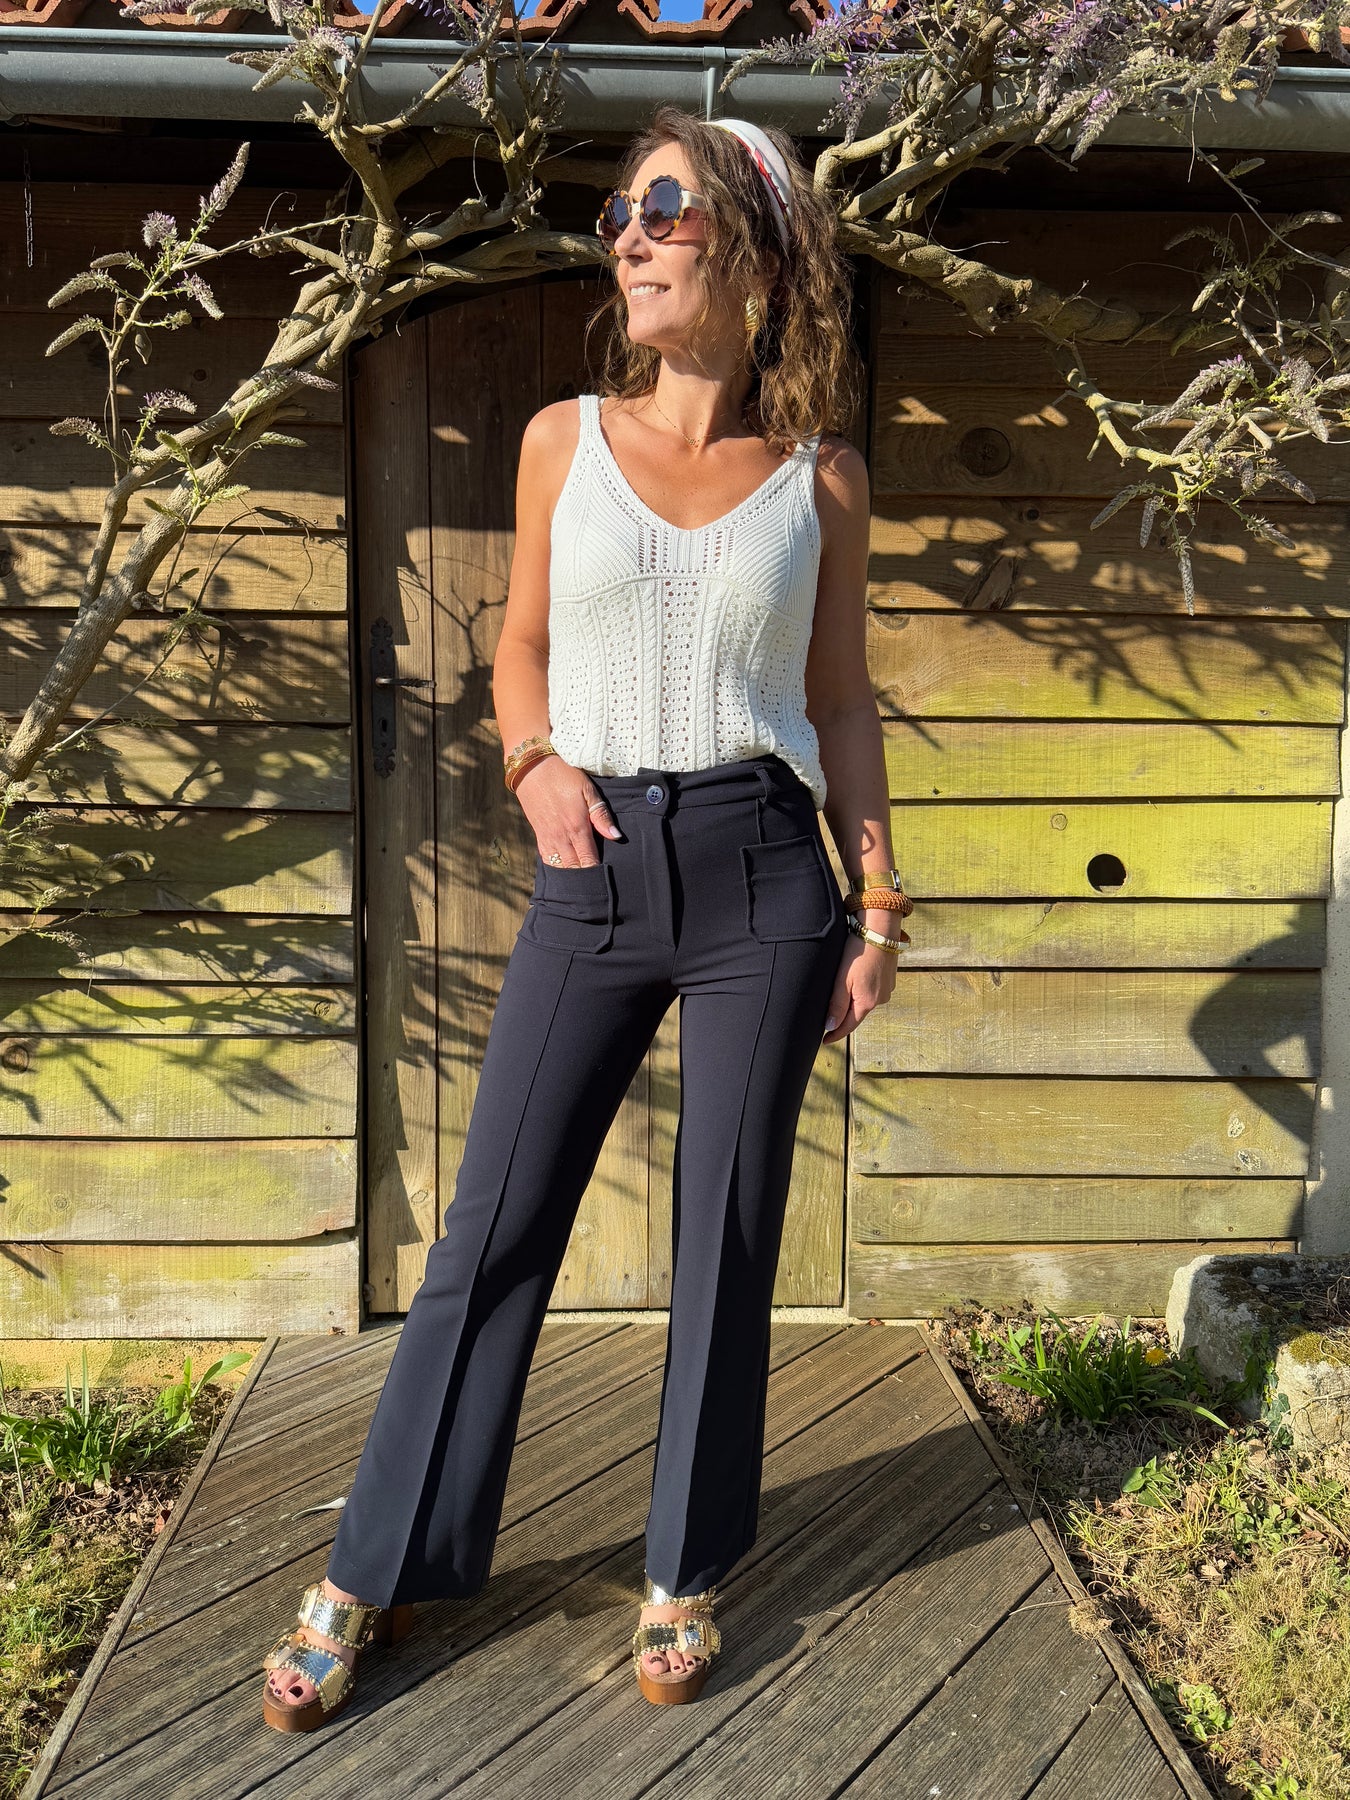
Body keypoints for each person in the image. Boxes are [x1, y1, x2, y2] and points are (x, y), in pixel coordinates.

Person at [260, 102, 908, 1730]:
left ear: (754, 250)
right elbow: (521, 644)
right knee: (492, 1226)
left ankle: (685, 1565)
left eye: (664, 207)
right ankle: (379, 1560)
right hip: (597, 866)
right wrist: (531, 761)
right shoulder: (565, 439)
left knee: (727, 1235)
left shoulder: (822, 478)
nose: (628, 235)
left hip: (764, 875)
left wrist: (877, 904)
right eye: (619, 212)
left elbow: (840, 700)